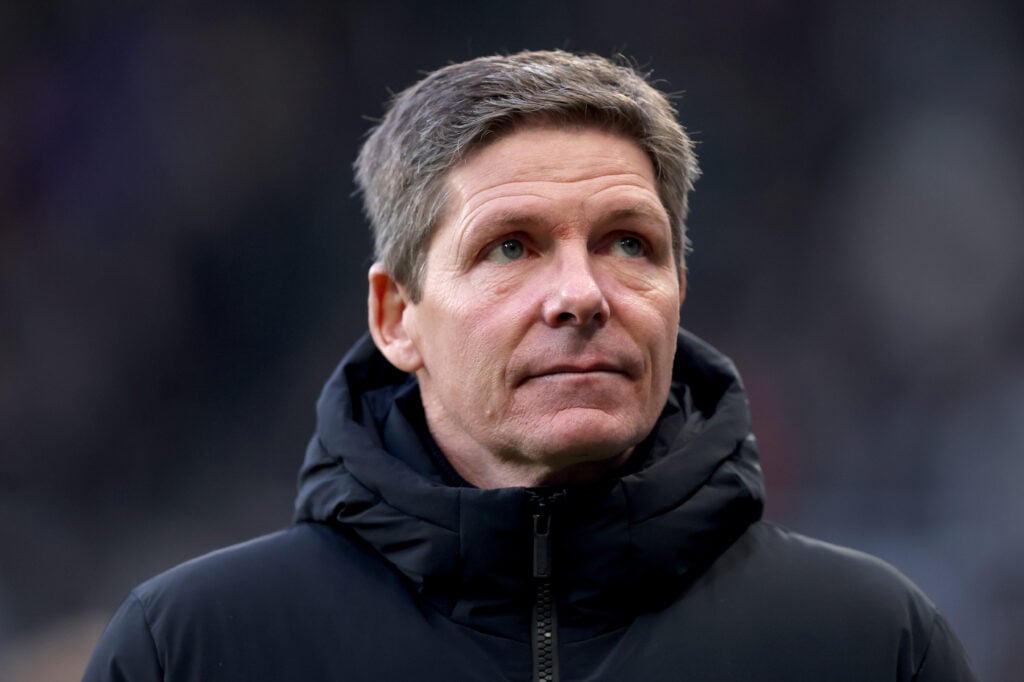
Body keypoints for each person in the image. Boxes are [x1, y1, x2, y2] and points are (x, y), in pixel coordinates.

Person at [83, 50, 977, 681]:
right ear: (398, 318)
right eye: (511, 248)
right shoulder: (193, 649)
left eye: (629, 243)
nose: (581, 294)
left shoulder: (871, 643)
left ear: (677, 291)